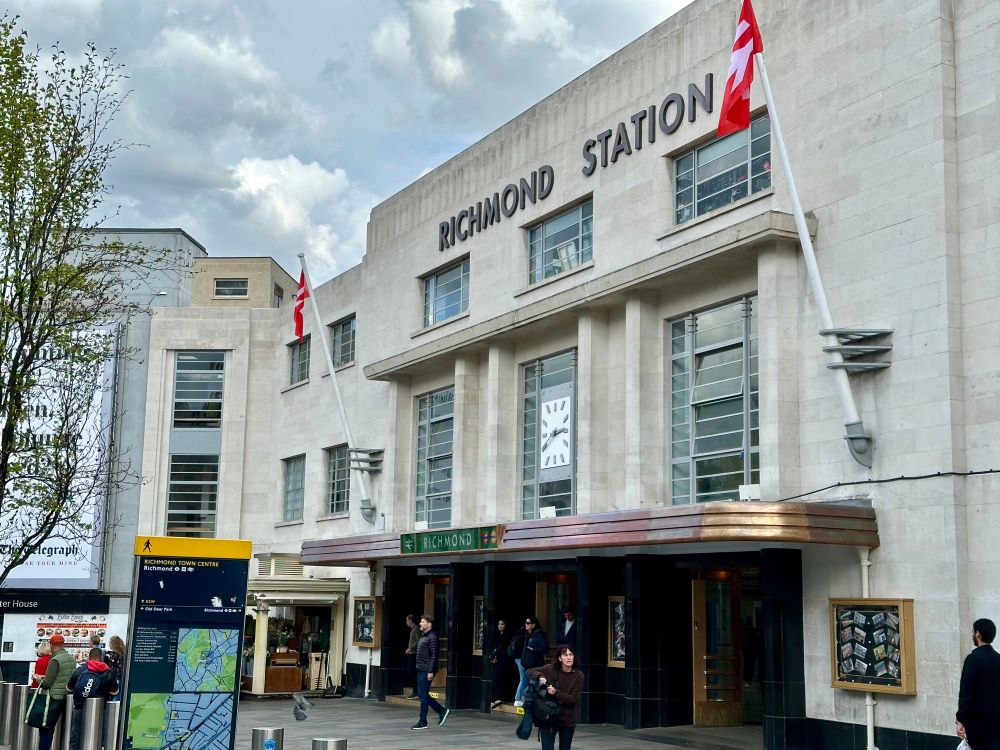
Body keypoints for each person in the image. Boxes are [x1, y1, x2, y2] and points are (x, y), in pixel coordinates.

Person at [527, 644, 584, 750]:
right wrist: (540, 676)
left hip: (567, 719)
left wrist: (555, 693)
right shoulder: (551, 669)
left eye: (571, 654)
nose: (568, 657)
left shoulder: (578, 675)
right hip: (549, 717)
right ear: (559, 658)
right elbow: (529, 671)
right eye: (565, 655)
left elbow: (574, 699)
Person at [956, 617, 1000, 750]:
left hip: (978, 725)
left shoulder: (972, 660)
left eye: (973, 632)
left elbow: (966, 693)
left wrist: (960, 720)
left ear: (978, 634)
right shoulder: (998, 659)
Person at [67, 648, 119, 750]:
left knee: (76, 737)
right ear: (101, 658)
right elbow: (114, 692)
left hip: (79, 707)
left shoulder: (80, 669)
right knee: (98, 737)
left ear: (89, 657)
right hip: (100, 710)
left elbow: (69, 688)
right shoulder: (109, 672)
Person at [410, 614, 449, 730]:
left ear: (429, 624)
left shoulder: (432, 637)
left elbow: (434, 656)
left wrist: (431, 671)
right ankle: (441, 711)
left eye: (422, 622)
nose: (420, 623)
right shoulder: (424, 635)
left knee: (422, 695)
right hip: (422, 668)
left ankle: (424, 721)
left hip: (427, 669)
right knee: (423, 695)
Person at [37, 634, 76, 750]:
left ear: (52, 645)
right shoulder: (71, 658)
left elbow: (47, 683)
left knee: (46, 729)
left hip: (53, 698)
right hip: (66, 698)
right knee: (63, 729)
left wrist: (38, 679)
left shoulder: (55, 660)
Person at [514, 615, 548, 707]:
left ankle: (528, 701)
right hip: (526, 663)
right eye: (525, 623)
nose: (526, 625)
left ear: (533, 625)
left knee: (533, 683)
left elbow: (545, 648)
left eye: (528, 623)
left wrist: (533, 648)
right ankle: (523, 700)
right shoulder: (528, 635)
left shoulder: (538, 635)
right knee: (528, 681)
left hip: (535, 664)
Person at [489, 618, 513, 709]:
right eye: (499, 624)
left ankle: (499, 698)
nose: (500, 626)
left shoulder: (507, 635)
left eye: (502, 624)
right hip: (498, 659)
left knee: (498, 678)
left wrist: (494, 654)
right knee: (497, 678)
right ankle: (500, 697)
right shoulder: (497, 635)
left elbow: (502, 647)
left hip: (505, 660)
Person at [741, 617, 761, 686]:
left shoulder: (744, 630)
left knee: (747, 665)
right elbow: (757, 641)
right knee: (750, 665)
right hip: (751, 651)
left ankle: (746, 679)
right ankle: (748, 680)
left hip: (746, 650)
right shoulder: (754, 630)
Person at [403, 615, 420, 699]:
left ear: (411, 620)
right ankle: (415, 691)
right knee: (411, 673)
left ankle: (416, 691)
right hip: (412, 653)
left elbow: (419, 641)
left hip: (414, 654)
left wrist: (410, 648)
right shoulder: (413, 630)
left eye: (407, 620)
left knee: (413, 673)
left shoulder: (416, 630)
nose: (406, 622)